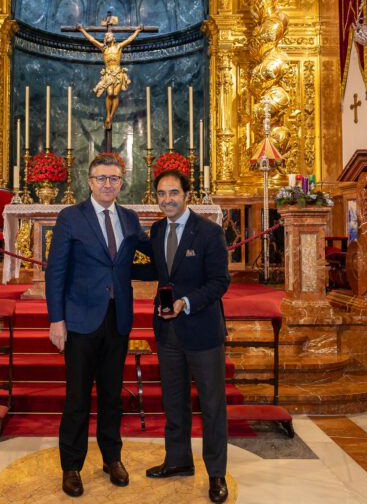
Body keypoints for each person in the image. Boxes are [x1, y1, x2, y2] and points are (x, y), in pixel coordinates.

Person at [45, 153, 151, 498]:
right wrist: (56, 319)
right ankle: (71, 466)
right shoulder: (71, 217)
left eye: (114, 178)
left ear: (122, 182)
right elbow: (56, 271)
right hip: (80, 319)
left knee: (111, 396)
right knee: (77, 397)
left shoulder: (129, 218)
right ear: (89, 182)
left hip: (117, 319)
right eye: (101, 178)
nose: (108, 184)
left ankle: (112, 458)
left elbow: (148, 258)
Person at [144, 169, 231, 504]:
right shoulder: (156, 230)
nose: (167, 200)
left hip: (203, 331)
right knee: (174, 401)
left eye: (173, 193)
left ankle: (217, 474)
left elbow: (220, 281)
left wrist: (187, 302)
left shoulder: (208, 231)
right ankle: (178, 460)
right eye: (161, 194)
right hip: (168, 332)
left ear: (186, 195)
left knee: (211, 405)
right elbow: (156, 271)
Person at [77, 23, 143, 129]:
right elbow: (92, 40)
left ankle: (110, 117)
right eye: (106, 36)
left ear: (113, 38)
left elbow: (130, 39)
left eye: (108, 36)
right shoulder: (104, 48)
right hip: (108, 74)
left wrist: (137, 31)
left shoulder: (118, 47)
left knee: (115, 94)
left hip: (118, 73)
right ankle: (108, 114)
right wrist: (81, 30)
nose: (107, 37)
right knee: (110, 93)